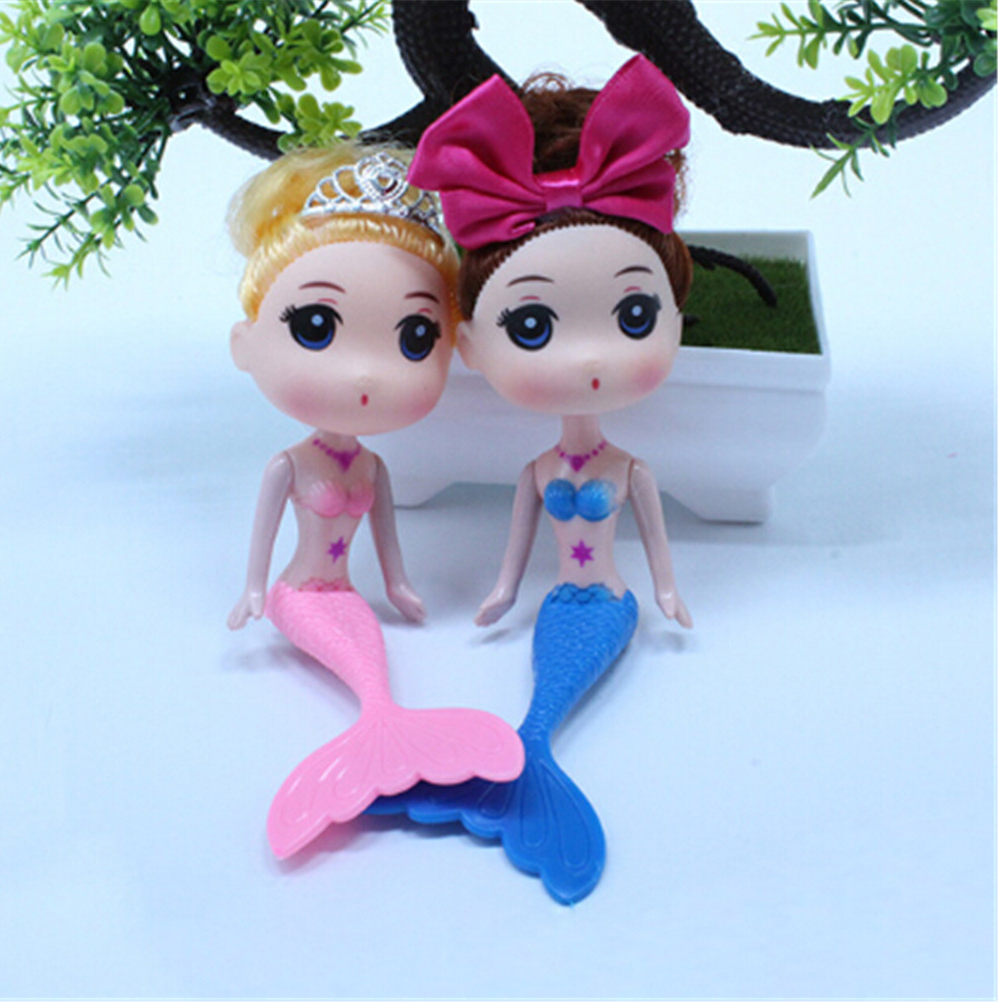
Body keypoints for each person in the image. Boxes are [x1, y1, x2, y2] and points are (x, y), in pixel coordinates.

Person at [370, 56, 693, 904]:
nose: (589, 358)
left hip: (611, 604)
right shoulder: (536, 470)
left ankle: (521, 762)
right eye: (534, 325)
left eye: (633, 316)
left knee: (548, 704)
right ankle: (521, 764)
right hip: (554, 604)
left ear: (677, 315)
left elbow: (657, 548)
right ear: (471, 347)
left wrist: (666, 594)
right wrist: (503, 593)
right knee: (540, 701)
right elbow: (517, 550)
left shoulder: (630, 469)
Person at [226, 144, 523, 860]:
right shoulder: (288, 466)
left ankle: (387, 738)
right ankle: (380, 740)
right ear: (245, 345)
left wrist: (399, 586)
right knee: (361, 669)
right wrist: (254, 591)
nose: (364, 374)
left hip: (350, 594)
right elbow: (263, 542)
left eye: (415, 338)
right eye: (316, 328)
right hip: (299, 596)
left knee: (373, 662)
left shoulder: (374, 467)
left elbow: (387, 544)